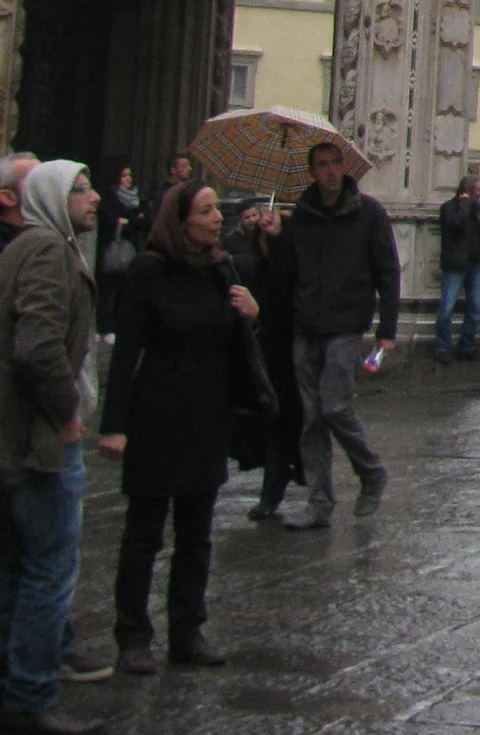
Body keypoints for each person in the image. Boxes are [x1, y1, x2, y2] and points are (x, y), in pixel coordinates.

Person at [98, 179, 265, 674]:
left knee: (197, 533)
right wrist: (114, 425)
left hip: (206, 412)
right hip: (157, 410)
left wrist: (252, 315)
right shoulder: (148, 271)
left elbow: (238, 345)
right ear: (182, 219)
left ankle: (187, 631)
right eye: (208, 211)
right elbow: (128, 350)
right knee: (144, 533)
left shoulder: (222, 269)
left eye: (218, 211)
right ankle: (132, 637)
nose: (218, 219)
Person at [0, 159, 111, 734]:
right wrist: (67, 412)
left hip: (14, 439)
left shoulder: (25, 245)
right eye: (82, 190)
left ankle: (14, 688)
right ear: (50, 196)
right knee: (49, 570)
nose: (94, 199)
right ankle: (30, 695)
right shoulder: (47, 250)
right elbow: (37, 345)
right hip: (40, 441)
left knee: (17, 567)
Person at [280, 140, 398, 530]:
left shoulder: (368, 213)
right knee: (311, 416)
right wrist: (268, 235)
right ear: (312, 171)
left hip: (347, 322)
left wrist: (387, 330)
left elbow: (388, 271)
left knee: (334, 407)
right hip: (306, 323)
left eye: (335, 164)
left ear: (344, 168)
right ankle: (319, 502)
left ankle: (371, 471)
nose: (330, 172)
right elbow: (286, 269)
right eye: (322, 165)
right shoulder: (301, 216)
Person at [229, 200, 303, 519]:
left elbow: (287, 302)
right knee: (267, 422)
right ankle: (279, 478)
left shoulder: (290, 259)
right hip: (260, 351)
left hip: (288, 351)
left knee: (283, 421)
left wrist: (261, 314)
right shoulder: (250, 257)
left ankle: (280, 483)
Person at [434, 174, 480, 364]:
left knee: (476, 308)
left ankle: (467, 345)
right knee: (447, 307)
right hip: (455, 264)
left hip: (475, 263)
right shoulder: (450, 208)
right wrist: (464, 205)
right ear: (468, 191)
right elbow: (453, 225)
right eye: (477, 190)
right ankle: (442, 346)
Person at [93, 169, 144, 341]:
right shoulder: (109, 199)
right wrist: (131, 221)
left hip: (130, 250)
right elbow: (110, 220)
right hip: (112, 249)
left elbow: (142, 222)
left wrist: (130, 221)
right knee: (108, 291)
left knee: (125, 291)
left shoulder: (136, 199)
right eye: (124, 175)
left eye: (130, 175)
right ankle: (104, 327)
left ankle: (118, 325)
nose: (128, 179)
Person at [145, 155, 195, 230]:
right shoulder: (163, 192)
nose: (190, 169)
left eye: (189, 165)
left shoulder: (188, 190)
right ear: (173, 170)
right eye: (185, 166)